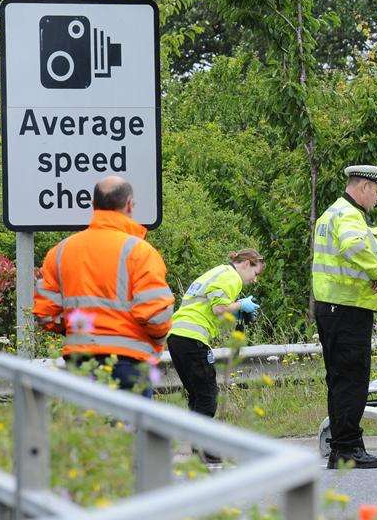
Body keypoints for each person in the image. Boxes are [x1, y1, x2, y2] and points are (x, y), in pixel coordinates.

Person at [33, 176, 175, 397]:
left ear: (93, 204)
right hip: (129, 363)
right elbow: (157, 317)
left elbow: (45, 315)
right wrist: (155, 341)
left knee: (88, 430)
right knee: (128, 431)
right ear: (129, 204)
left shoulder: (60, 252)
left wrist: (77, 329)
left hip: (80, 362)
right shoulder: (140, 252)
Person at [312, 165, 377, 470]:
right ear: (365, 187)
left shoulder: (329, 213)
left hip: (330, 306)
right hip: (347, 308)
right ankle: (346, 449)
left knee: (338, 379)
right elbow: (353, 245)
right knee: (352, 379)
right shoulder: (348, 215)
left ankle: (343, 445)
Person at [167, 249, 264, 441]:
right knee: (207, 396)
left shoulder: (218, 271)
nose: (255, 280)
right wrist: (240, 304)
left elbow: (209, 305)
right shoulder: (231, 278)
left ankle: (198, 446)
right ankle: (204, 448)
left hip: (177, 336)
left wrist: (236, 311)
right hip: (192, 337)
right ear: (246, 264)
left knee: (196, 396)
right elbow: (219, 308)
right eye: (256, 273)